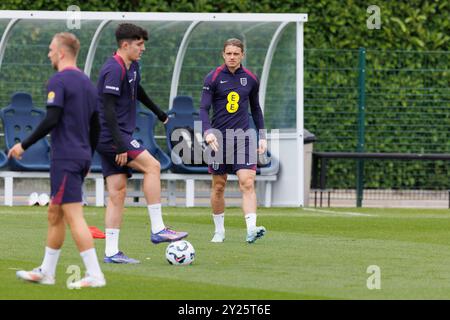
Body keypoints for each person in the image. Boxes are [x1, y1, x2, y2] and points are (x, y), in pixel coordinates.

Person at [10, 32, 105, 288]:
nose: (49, 53)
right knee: (55, 213)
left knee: (73, 215)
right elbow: (96, 126)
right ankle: (46, 272)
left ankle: (95, 275)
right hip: (80, 156)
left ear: (62, 53)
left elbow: (52, 119)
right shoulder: (87, 83)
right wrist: (87, 155)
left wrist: (23, 145)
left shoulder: (59, 81)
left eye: (51, 49)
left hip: (65, 157)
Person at [96, 23, 187, 264]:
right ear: (125, 45)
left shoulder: (132, 66)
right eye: (139, 44)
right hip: (110, 135)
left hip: (114, 136)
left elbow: (138, 90)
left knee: (117, 192)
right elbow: (107, 110)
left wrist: (160, 113)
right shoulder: (113, 69)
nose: (143, 48)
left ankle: (111, 253)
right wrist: (120, 145)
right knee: (153, 166)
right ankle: (158, 228)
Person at [200, 38, 267, 244]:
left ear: (242, 55)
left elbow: (255, 109)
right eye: (228, 53)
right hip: (218, 139)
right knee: (219, 186)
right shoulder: (213, 77)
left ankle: (251, 229)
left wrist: (262, 135)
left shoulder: (251, 79)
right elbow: (203, 108)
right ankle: (219, 231)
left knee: (247, 182)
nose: (232, 57)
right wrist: (207, 131)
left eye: (236, 54)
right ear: (223, 54)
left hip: (244, 138)